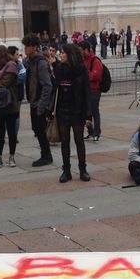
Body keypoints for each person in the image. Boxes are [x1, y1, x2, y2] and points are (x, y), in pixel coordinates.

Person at [50, 44, 93, 183]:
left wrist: (88, 115)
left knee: (79, 141)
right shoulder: (59, 69)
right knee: (65, 142)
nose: (60, 55)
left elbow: (87, 92)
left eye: (62, 53)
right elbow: (54, 91)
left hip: (77, 110)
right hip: (62, 110)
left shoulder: (81, 70)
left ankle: (82, 169)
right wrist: (50, 110)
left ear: (70, 54)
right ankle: (66, 170)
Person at [22, 34, 54, 166]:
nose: (25, 49)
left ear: (35, 47)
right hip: (33, 101)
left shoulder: (40, 62)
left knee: (40, 130)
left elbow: (47, 85)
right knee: (37, 129)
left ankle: (46, 156)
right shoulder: (30, 61)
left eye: (27, 46)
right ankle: (45, 154)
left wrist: (42, 106)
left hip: (39, 102)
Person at [78, 41, 104, 141]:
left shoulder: (95, 60)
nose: (80, 52)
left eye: (81, 50)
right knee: (85, 111)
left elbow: (96, 75)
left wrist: (85, 76)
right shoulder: (82, 60)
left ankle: (97, 132)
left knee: (94, 111)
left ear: (86, 50)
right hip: (85, 89)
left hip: (94, 90)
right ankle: (90, 131)